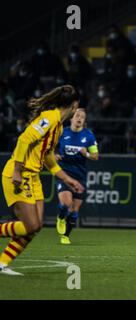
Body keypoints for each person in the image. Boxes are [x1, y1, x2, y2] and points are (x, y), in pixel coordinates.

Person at [0, 85, 84, 276]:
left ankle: (2, 263)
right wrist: (17, 171)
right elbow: (23, 140)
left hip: (33, 176)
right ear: (74, 104)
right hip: (20, 174)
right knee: (31, 225)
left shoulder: (59, 127)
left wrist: (67, 179)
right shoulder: (49, 118)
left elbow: (47, 157)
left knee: (35, 227)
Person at [55, 108, 99, 245]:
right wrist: (54, 155)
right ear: (71, 118)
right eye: (77, 116)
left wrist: (86, 154)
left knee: (74, 210)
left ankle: (65, 236)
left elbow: (95, 156)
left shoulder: (89, 135)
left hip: (80, 176)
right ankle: (61, 217)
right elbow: (50, 148)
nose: (79, 118)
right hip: (64, 173)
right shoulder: (62, 132)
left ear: (84, 121)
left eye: (82, 117)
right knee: (66, 203)